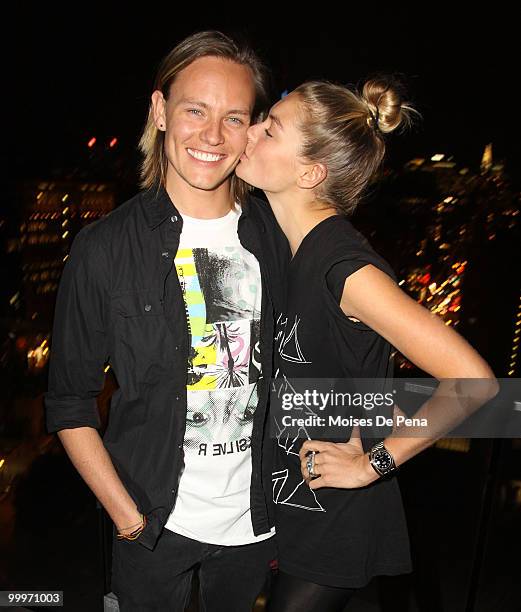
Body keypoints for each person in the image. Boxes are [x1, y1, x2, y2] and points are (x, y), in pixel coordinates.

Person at [44, 31, 290, 611]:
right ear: (160, 111)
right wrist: (129, 521)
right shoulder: (103, 248)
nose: (212, 136)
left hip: (258, 526)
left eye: (233, 118)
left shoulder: (279, 236)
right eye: (194, 111)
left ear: (252, 130)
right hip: (152, 528)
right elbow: (70, 403)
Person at [235, 78, 499, 611]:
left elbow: (474, 382)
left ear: (309, 173)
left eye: (271, 128)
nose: (251, 130)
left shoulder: (343, 268)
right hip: (291, 502)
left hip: (335, 519)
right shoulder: (289, 249)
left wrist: (373, 462)